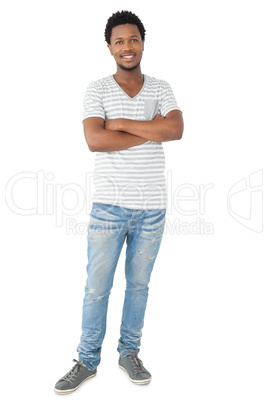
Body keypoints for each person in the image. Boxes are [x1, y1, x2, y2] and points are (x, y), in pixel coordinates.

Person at [54, 10, 183, 394]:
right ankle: (87, 360)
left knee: (139, 285)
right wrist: (149, 129)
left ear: (143, 42)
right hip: (109, 206)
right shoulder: (96, 89)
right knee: (97, 287)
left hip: (152, 208)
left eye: (133, 39)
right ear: (109, 47)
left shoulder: (161, 87)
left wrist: (119, 123)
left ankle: (129, 352)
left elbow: (174, 129)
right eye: (119, 41)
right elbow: (95, 140)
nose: (128, 47)